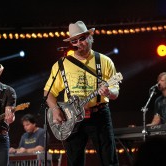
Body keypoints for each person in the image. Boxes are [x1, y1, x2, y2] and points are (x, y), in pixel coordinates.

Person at [44, 21, 120, 166]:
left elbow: (116, 92)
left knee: (108, 160)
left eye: (82, 38)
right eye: (74, 40)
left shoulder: (104, 61)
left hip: (99, 114)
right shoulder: (62, 64)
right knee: (74, 162)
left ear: (90, 37)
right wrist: (54, 109)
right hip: (71, 118)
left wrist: (109, 92)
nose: (79, 43)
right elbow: (49, 92)